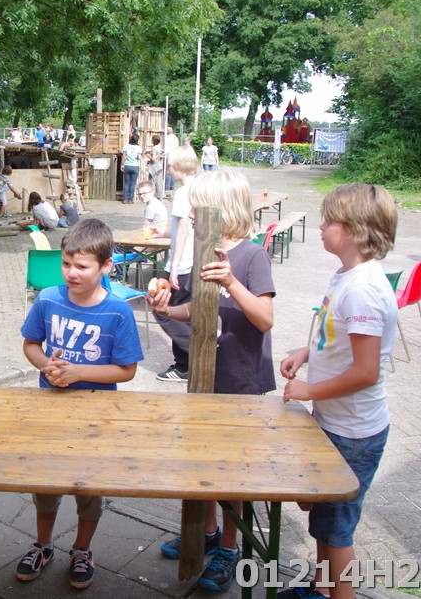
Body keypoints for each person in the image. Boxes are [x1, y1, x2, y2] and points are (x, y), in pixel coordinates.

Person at [150, 168, 276, 591]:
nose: (189, 215)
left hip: (240, 383)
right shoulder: (205, 250)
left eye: (198, 208)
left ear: (224, 209)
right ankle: (204, 534)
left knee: (231, 470)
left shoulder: (251, 256)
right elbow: (198, 309)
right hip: (204, 379)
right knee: (200, 461)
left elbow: (264, 318)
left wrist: (232, 281)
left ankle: (228, 546)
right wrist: (166, 309)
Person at [279, 183, 398, 599]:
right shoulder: (347, 276)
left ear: (354, 229)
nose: (321, 226)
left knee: (336, 534)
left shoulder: (363, 289)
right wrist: (304, 352)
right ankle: (320, 587)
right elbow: (337, 337)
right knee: (325, 526)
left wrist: (309, 389)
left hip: (353, 433)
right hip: (337, 424)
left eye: (329, 220)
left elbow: (366, 372)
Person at [18, 218, 144, 590]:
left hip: (96, 420)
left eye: (82, 266)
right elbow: (30, 344)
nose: (72, 273)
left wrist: (77, 373)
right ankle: (43, 545)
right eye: (66, 264)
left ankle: (82, 549)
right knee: (46, 484)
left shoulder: (118, 311)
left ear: (106, 266)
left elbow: (127, 370)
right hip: (51, 411)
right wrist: (47, 366)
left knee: (89, 489)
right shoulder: (47, 299)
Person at [155, 144, 199, 382]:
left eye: (170, 166)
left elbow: (182, 230)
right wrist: (163, 233)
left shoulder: (183, 193)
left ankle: (192, 359)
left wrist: (173, 266)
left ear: (180, 167)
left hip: (182, 264)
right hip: (193, 260)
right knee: (185, 315)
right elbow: (179, 229)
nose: (168, 170)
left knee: (162, 308)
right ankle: (185, 364)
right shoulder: (199, 187)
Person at [121, 133, 142, 204]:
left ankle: (124, 199)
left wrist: (122, 165)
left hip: (127, 165)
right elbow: (139, 157)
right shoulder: (138, 148)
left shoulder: (126, 146)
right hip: (135, 166)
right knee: (133, 184)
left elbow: (123, 156)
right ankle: (130, 200)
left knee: (127, 183)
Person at [146, 134, 165, 199]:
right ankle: (159, 197)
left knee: (152, 183)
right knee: (158, 183)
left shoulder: (154, 148)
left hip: (153, 167)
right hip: (159, 166)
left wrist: (148, 155)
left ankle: (152, 197)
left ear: (153, 140)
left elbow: (153, 159)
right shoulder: (159, 147)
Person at [163, 126, 180, 195]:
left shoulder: (167, 138)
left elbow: (166, 147)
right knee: (173, 170)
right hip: (175, 155)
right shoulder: (176, 138)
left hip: (169, 154)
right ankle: (172, 186)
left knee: (167, 171)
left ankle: (167, 186)